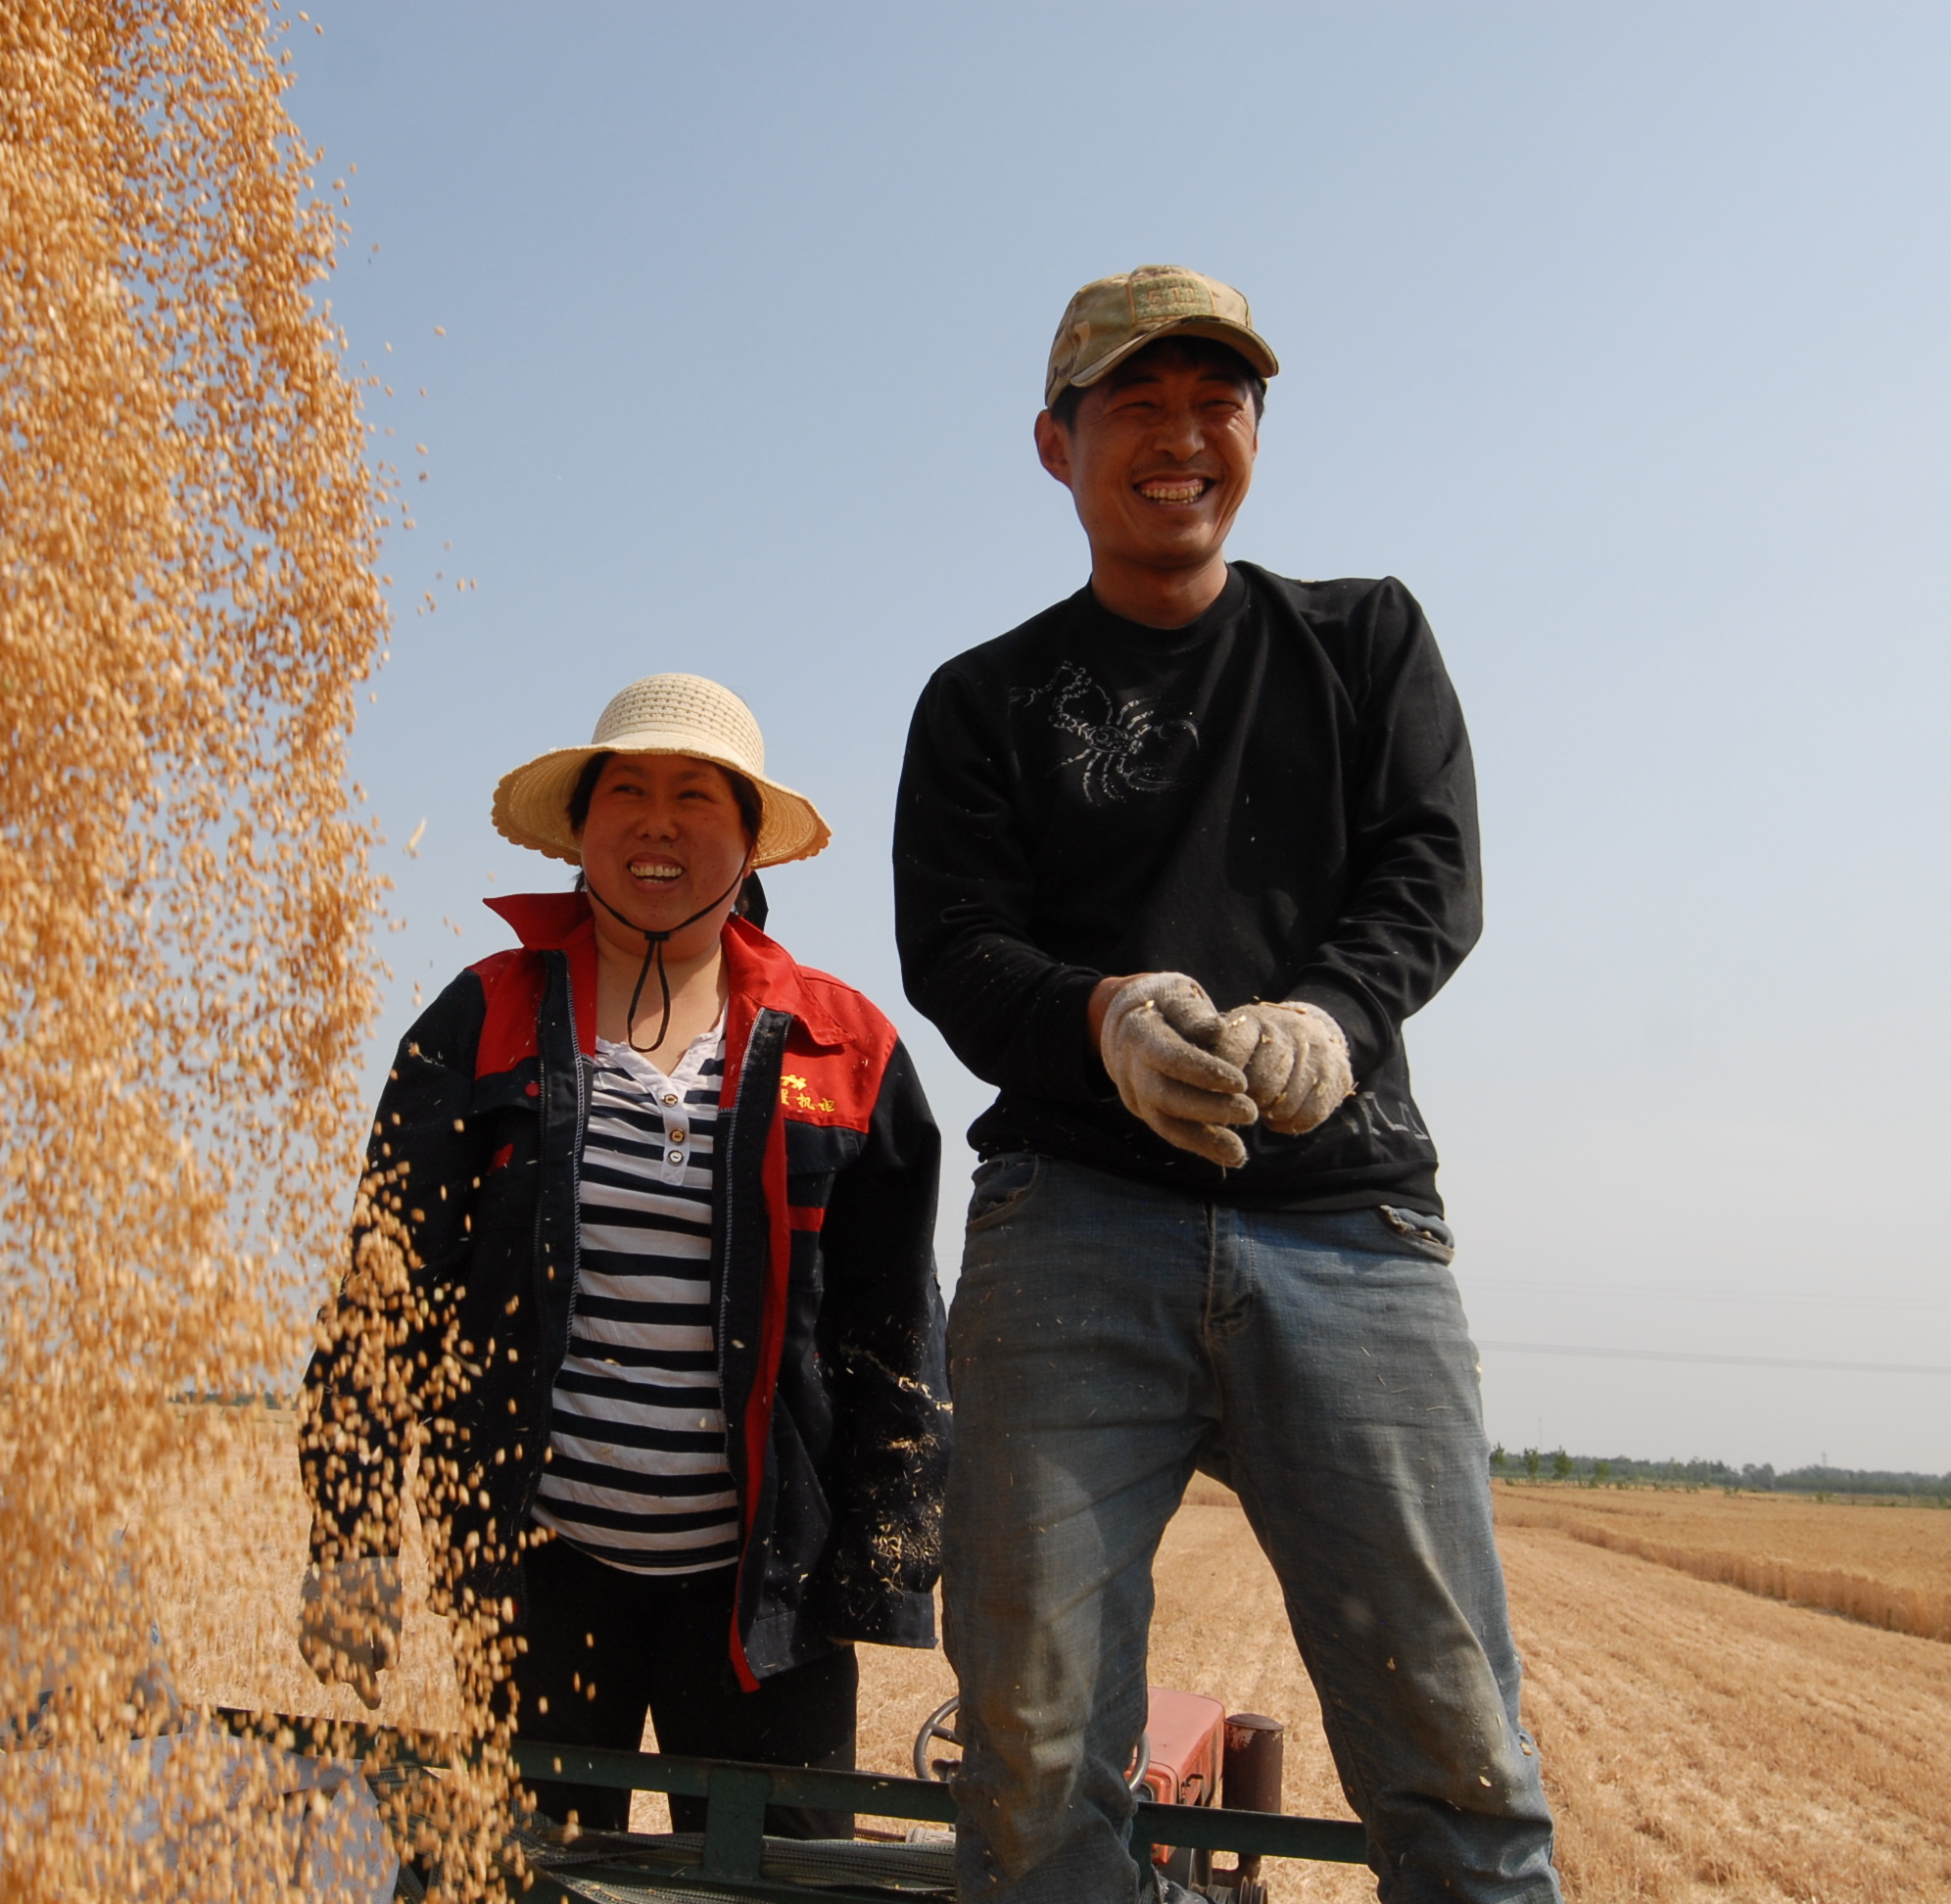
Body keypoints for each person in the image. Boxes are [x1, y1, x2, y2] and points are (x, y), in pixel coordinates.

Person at [892, 265, 1561, 1903]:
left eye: (1218, 400)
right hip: (1074, 1222)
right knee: (1036, 1752)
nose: (1181, 435)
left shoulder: (1363, 639)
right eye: (1137, 401)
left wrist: (1330, 1018)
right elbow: (959, 947)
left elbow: (1430, 866)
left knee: (1455, 1739)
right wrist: (1106, 1017)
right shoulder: (985, 702)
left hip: (1347, 1226)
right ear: (1055, 444)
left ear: (1256, 430)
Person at [303, 672, 949, 1840]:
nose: (659, 824)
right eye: (629, 793)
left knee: (775, 1879)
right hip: (537, 1574)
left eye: (697, 796)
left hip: (766, 1600)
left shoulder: (844, 1047)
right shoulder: (481, 1017)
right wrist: (349, 1537)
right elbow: (383, 1295)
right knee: (539, 1871)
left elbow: (893, 1333)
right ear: (582, 830)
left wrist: (885, 1570)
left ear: (750, 839)